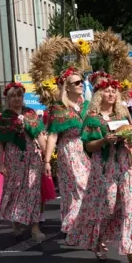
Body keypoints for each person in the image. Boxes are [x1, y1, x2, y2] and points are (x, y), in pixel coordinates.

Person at [66, 77, 132, 263]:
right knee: (107, 207)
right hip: (104, 166)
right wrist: (104, 141)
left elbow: (131, 138)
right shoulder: (93, 118)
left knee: (131, 206)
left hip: (125, 163)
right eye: (107, 91)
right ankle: (99, 240)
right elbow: (89, 146)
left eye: (113, 91)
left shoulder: (122, 115)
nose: (111, 94)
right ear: (99, 94)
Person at [0, 82, 49, 241]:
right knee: (16, 189)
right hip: (14, 157)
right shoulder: (5, 117)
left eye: (19, 95)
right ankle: (16, 219)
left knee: (33, 191)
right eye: (13, 96)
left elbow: (39, 135)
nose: (17, 99)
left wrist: (47, 157)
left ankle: (35, 227)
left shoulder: (30, 113)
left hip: (32, 156)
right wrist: (1, 163)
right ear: (8, 99)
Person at [44, 67, 91, 234]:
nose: (81, 85)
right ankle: (72, 224)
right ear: (67, 87)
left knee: (77, 189)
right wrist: (47, 160)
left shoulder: (86, 105)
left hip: (86, 150)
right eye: (76, 83)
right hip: (69, 150)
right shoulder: (59, 108)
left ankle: (78, 225)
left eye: (81, 82)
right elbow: (52, 136)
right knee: (80, 187)